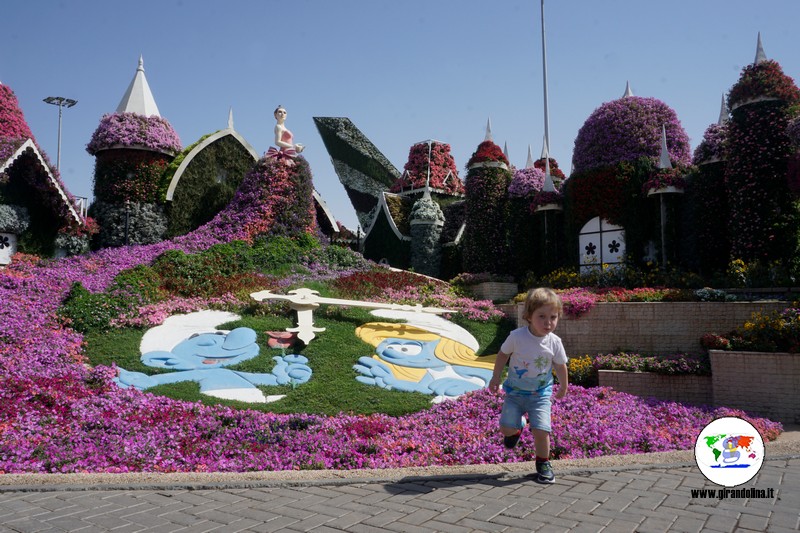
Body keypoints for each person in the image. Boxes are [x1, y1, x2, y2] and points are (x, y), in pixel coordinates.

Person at [489, 287, 569, 484]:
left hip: (540, 395)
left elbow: (560, 364)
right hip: (515, 394)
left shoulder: (555, 342)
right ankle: (517, 428)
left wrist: (563, 386)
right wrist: (495, 377)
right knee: (506, 428)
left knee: (542, 430)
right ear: (528, 316)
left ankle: (543, 464)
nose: (548, 322)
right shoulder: (517, 337)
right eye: (542, 316)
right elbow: (502, 355)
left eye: (553, 317)